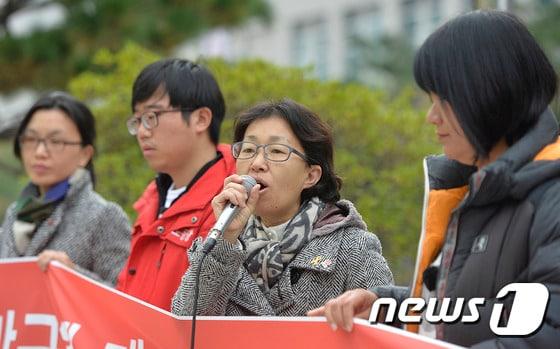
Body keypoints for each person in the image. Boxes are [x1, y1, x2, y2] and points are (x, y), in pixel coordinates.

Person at [308, 10, 560, 348]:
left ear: (489, 93)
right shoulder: (480, 188)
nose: (431, 117)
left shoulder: (550, 194)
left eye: (442, 101)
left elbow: (548, 332)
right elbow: (471, 309)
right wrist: (385, 308)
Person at [171, 99, 393, 317]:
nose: (257, 163)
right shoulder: (223, 243)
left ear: (311, 175)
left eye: (276, 151)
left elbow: (388, 326)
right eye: (248, 149)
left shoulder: (352, 246)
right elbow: (183, 325)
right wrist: (225, 239)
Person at [116, 58, 236, 311]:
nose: (142, 132)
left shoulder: (233, 202)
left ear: (201, 119)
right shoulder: (151, 200)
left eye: (152, 116)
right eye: (137, 121)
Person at [0, 92, 130, 285]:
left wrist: (73, 275)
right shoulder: (16, 213)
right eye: (31, 140)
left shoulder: (104, 216)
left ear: (85, 155)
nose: (40, 152)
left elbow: (123, 296)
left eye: (56, 142)